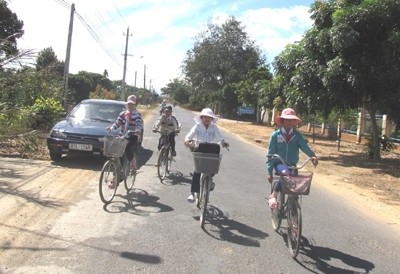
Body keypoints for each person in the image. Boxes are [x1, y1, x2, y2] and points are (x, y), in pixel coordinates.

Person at [266, 107, 318, 208]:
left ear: (294, 121)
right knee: (286, 174)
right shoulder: (275, 135)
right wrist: (269, 171)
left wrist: (312, 156)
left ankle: (293, 214)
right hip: (279, 163)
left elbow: (304, 147)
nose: (289, 122)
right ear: (282, 121)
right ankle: (274, 194)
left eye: (291, 120)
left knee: (295, 188)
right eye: (286, 120)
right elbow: (271, 153)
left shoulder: (297, 135)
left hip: (292, 165)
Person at [184, 108, 229, 203]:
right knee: (197, 171)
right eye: (205, 117)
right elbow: (189, 135)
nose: (207, 119)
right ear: (201, 117)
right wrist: (187, 140)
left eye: (209, 117)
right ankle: (192, 193)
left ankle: (209, 180)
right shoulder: (197, 127)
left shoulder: (214, 128)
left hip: (211, 151)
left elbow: (219, 137)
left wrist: (223, 142)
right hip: (200, 150)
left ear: (212, 119)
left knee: (212, 168)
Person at [107, 95, 143, 171]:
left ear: (135, 105)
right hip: (122, 135)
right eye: (129, 104)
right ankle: (118, 172)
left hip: (132, 136)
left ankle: (132, 161)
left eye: (132, 104)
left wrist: (137, 130)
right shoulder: (123, 114)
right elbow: (117, 122)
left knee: (127, 148)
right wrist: (112, 128)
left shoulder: (137, 115)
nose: (130, 106)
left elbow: (138, 124)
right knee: (116, 150)